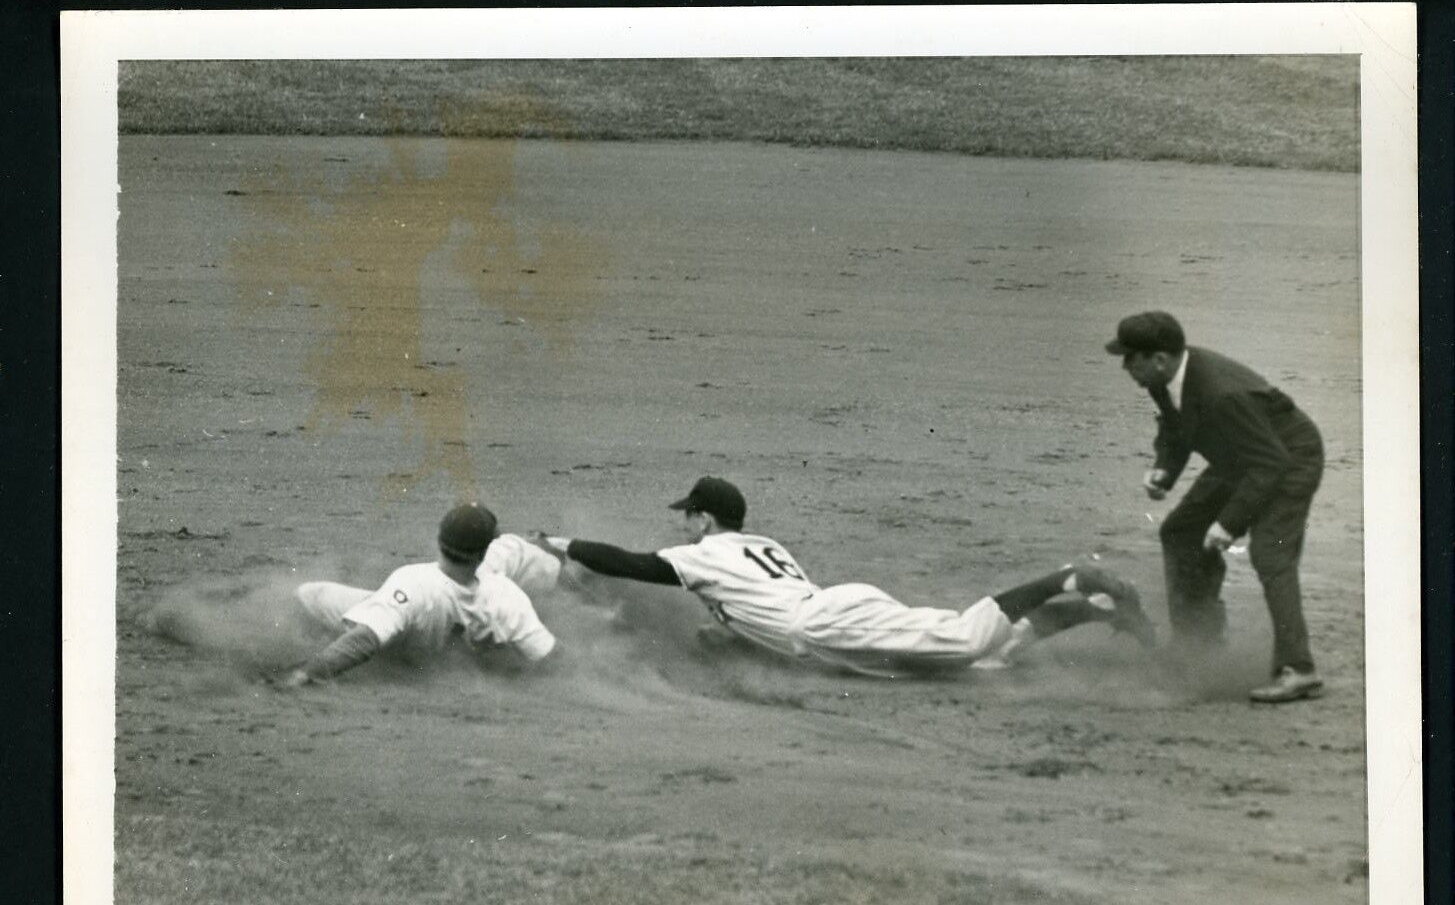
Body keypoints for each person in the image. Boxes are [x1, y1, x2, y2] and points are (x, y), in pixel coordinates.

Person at [533, 475, 1154, 678]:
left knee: (967, 638)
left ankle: (1063, 577)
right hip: (830, 617)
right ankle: (1078, 612)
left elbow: (632, 565)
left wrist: (562, 545)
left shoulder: (705, 553)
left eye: (688, 516)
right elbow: (747, 612)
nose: (684, 525)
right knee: (978, 669)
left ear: (702, 517)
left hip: (827, 620)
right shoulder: (760, 544)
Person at [1108, 310, 1325, 703]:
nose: (1126, 367)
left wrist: (1228, 524)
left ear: (1158, 358)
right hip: (1242, 457)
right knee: (1180, 531)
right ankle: (1198, 641)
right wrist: (1164, 471)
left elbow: (1270, 463)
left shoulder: (1221, 393)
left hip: (1289, 459)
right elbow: (1175, 428)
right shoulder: (1165, 379)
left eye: (1131, 358)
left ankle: (1299, 669)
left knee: (1270, 554)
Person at [279, 503, 559, 687]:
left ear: (439, 540)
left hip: (397, 645)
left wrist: (306, 673)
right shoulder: (506, 595)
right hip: (443, 655)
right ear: (484, 553)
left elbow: (364, 640)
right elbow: (548, 657)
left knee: (309, 593)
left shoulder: (413, 582)